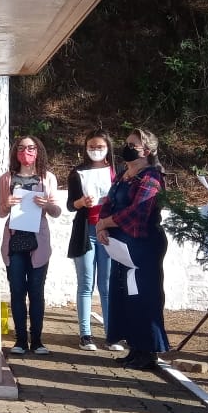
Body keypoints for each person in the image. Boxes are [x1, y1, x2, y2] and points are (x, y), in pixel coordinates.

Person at [95, 128, 168, 371]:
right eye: (126, 143)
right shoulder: (123, 175)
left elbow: (138, 212)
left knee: (143, 297)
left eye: (132, 145)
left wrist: (106, 223)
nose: (126, 147)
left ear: (146, 151)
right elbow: (109, 201)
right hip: (121, 245)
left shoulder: (151, 177)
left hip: (143, 245)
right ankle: (135, 348)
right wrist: (102, 225)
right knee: (125, 296)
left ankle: (148, 351)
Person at [0, 136, 62, 355]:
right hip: (14, 242)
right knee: (17, 291)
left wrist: (47, 205)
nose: (26, 152)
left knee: (36, 291)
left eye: (31, 148)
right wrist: (6, 204)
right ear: (15, 152)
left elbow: (57, 211)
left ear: (38, 151)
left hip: (38, 242)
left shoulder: (47, 178)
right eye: (21, 148)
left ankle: (37, 341)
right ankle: (20, 340)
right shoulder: (6, 178)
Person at [66, 130, 117, 351]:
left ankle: (112, 334)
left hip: (109, 232)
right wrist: (81, 202)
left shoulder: (117, 171)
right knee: (86, 283)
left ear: (108, 148)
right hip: (86, 231)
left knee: (107, 285)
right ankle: (85, 334)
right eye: (91, 147)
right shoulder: (77, 172)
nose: (95, 151)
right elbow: (70, 205)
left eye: (100, 147)